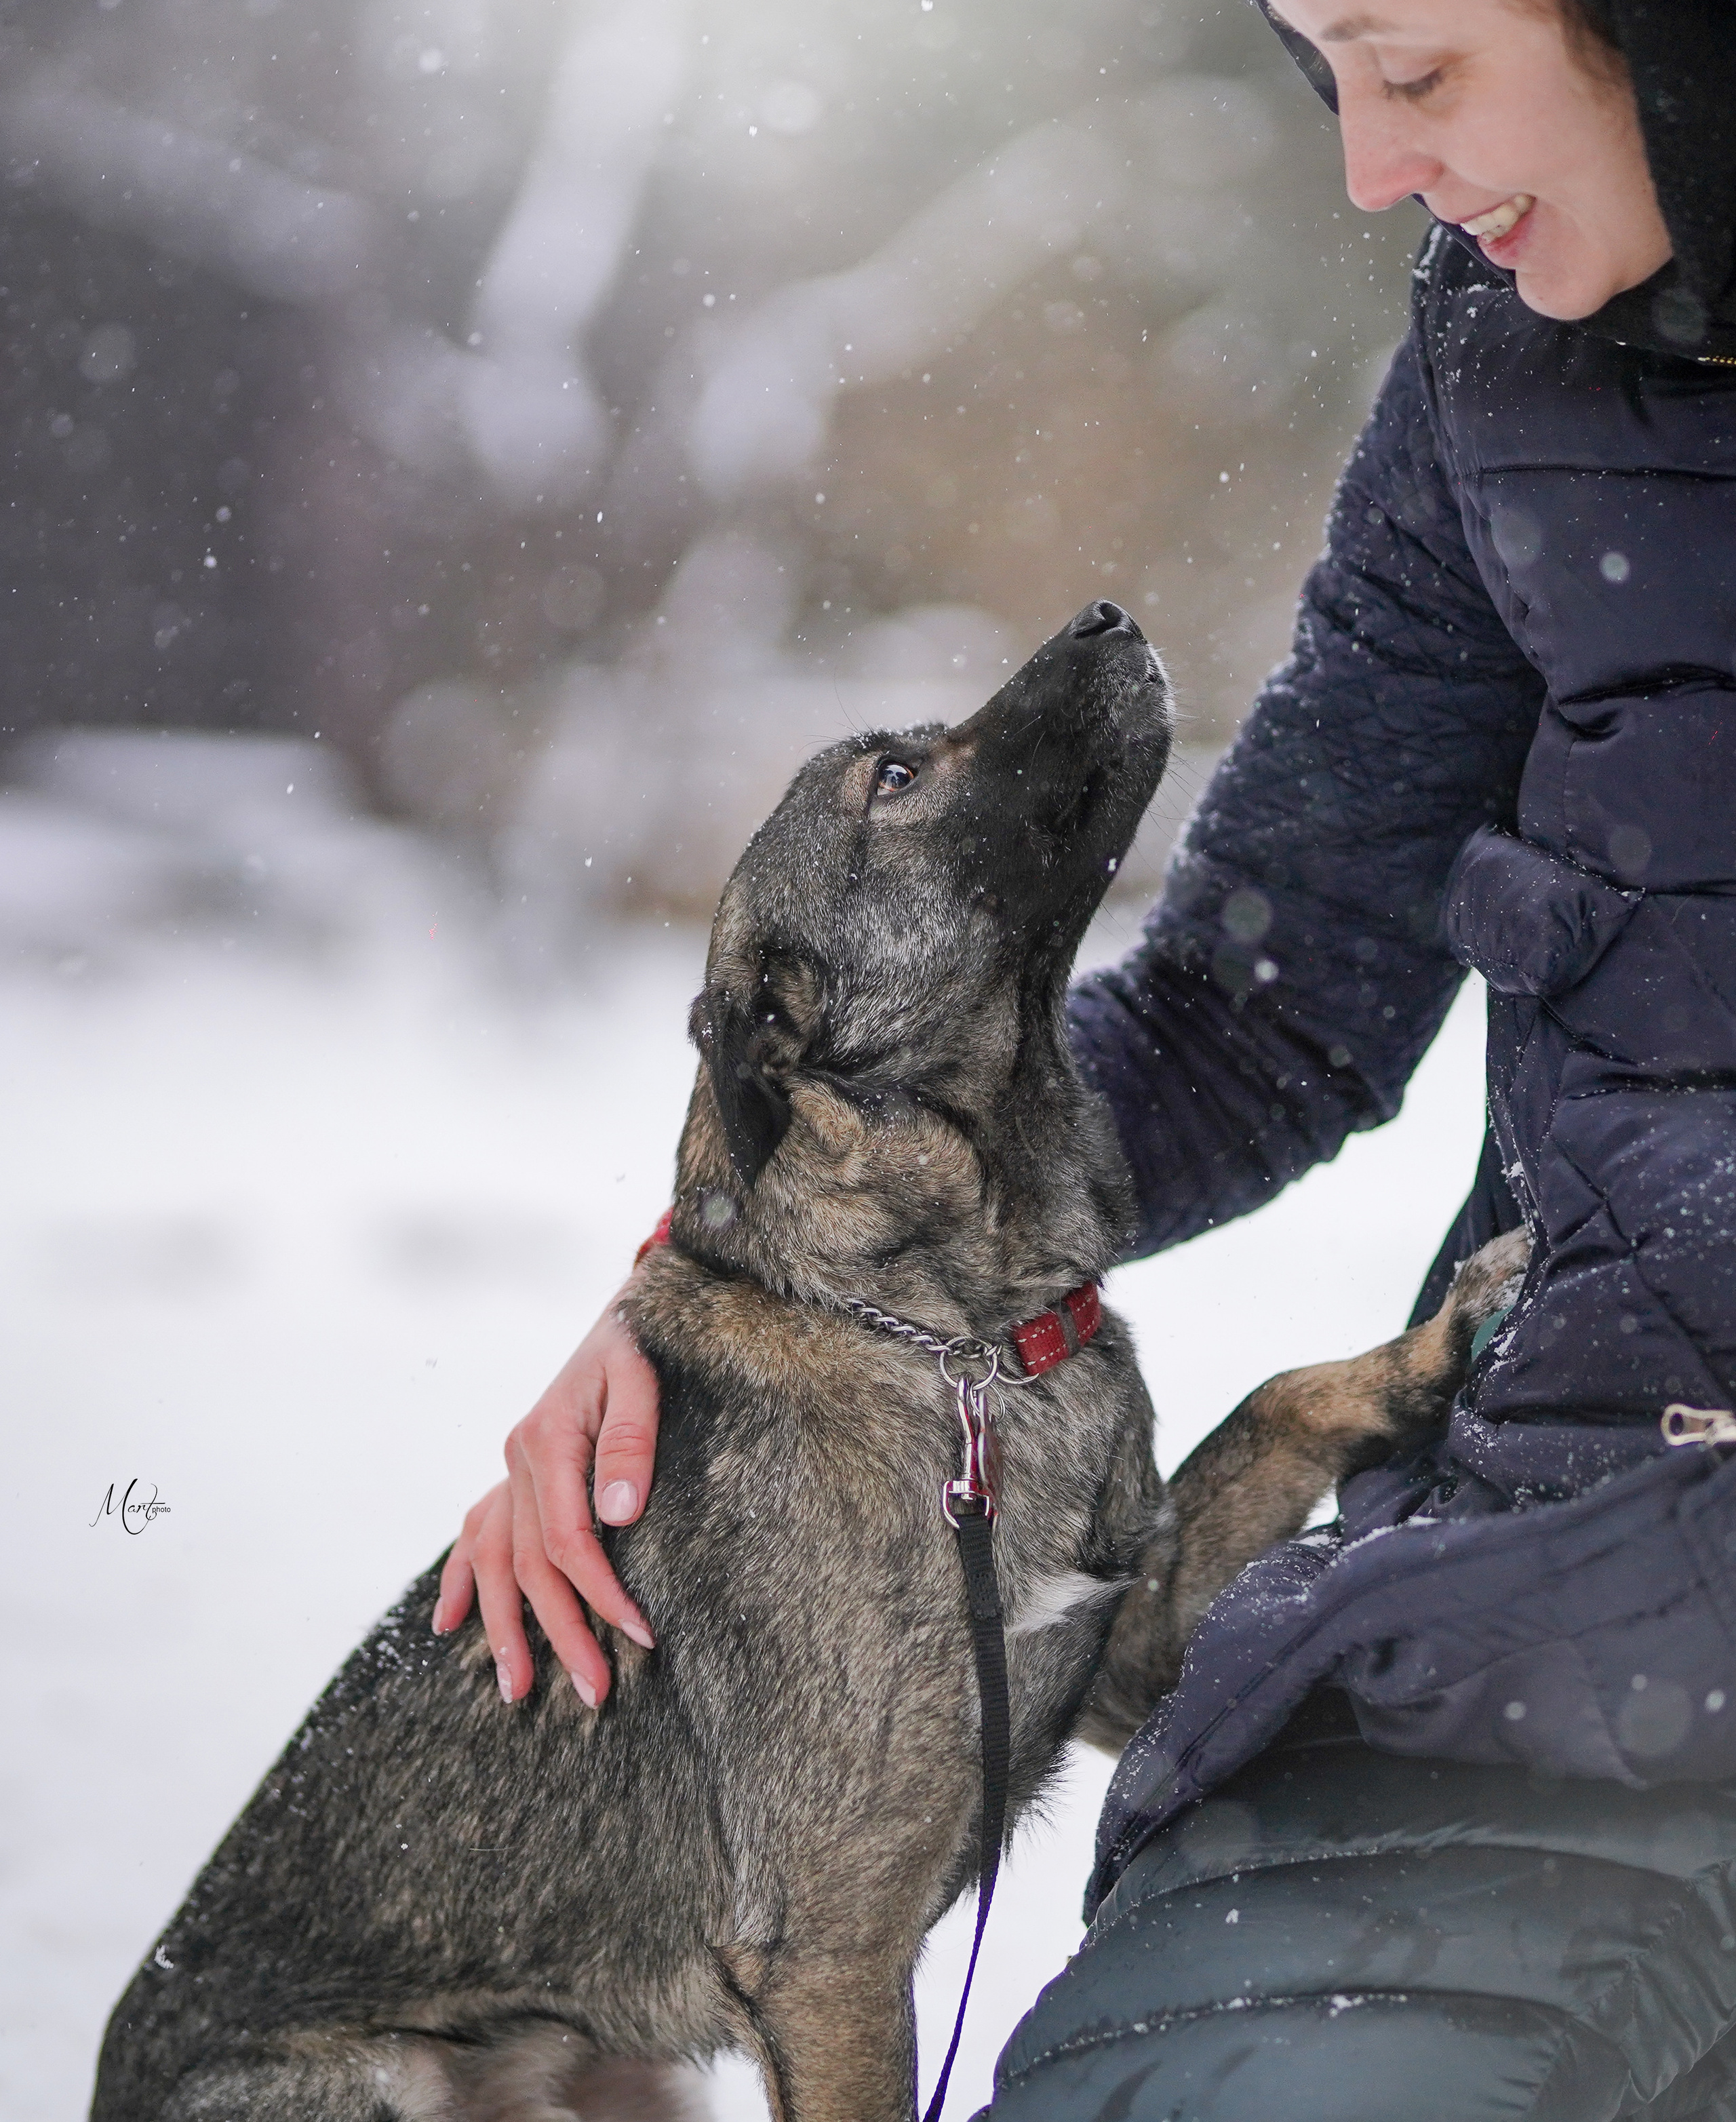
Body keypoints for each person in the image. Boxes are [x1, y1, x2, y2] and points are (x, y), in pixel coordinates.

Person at [436, 0, 1736, 2110]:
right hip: (1548, 1582)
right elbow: (1252, 1006)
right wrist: (740, 1279)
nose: (1368, 166)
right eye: (1327, 72)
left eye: (1415, 68)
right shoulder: (1499, 378)